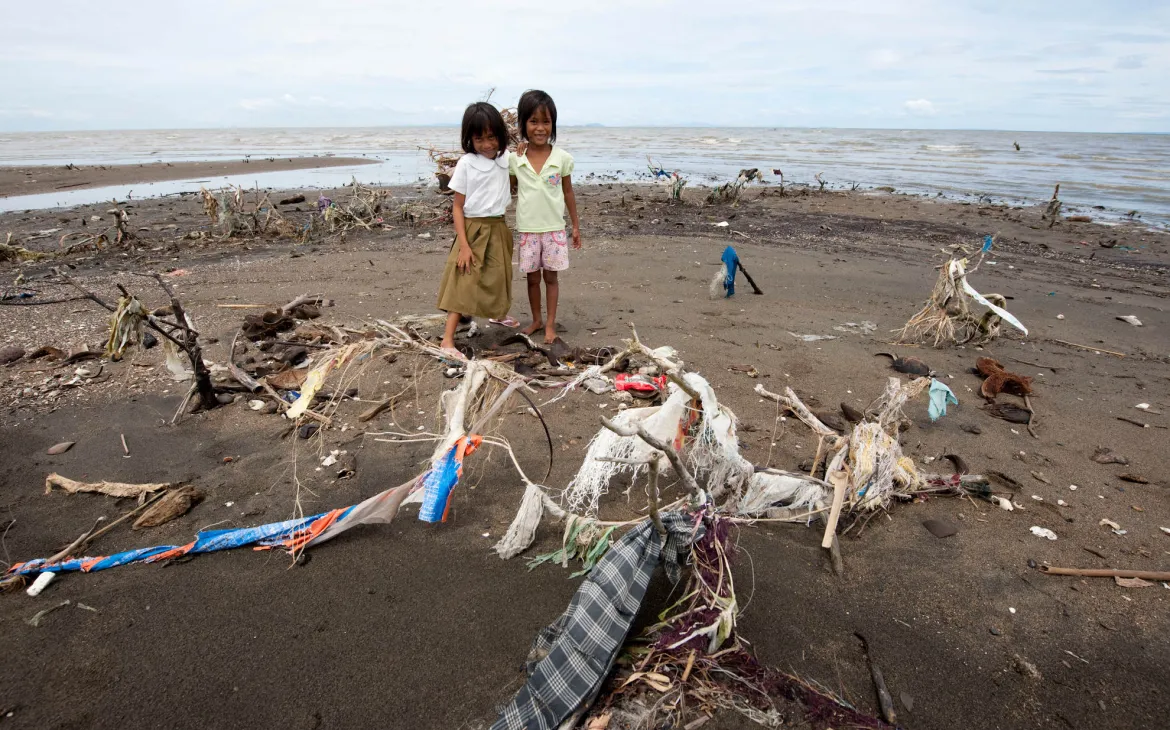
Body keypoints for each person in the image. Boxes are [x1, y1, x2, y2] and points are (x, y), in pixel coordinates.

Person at [436, 102, 515, 358]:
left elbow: (525, 167)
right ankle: (447, 340)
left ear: (500, 136)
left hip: (498, 226)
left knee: (496, 276)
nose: (487, 144)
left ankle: (497, 314)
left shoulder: (506, 158)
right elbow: (457, 207)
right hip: (473, 229)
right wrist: (465, 245)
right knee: (465, 281)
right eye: (479, 138)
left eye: (492, 137)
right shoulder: (467, 163)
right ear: (470, 139)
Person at [510, 89, 580, 344]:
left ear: (553, 125)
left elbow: (568, 191)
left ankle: (550, 324)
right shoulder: (515, 159)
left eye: (546, 122)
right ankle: (536, 320)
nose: (540, 128)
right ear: (523, 125)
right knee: (531, 279)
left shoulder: (562, 158)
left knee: (551, 277)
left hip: (554, 229)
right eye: (533, 121)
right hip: (528, 229)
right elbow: (505, 187)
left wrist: (575, 225)